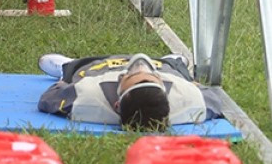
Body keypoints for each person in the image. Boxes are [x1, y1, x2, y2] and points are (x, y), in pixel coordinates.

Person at [36, 53, 225, 130]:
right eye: (151, 77)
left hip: (102, 68)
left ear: (117, 105)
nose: (140, 66)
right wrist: (194, 86)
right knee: (175, 69)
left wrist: (64, 82)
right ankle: (172, 62)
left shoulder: (86, 98)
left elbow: (50, 98)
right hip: (162, 67)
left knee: (79, 69)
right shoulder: (187, 100)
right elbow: (214, 100)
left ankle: (67, 65)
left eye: (130, 78)